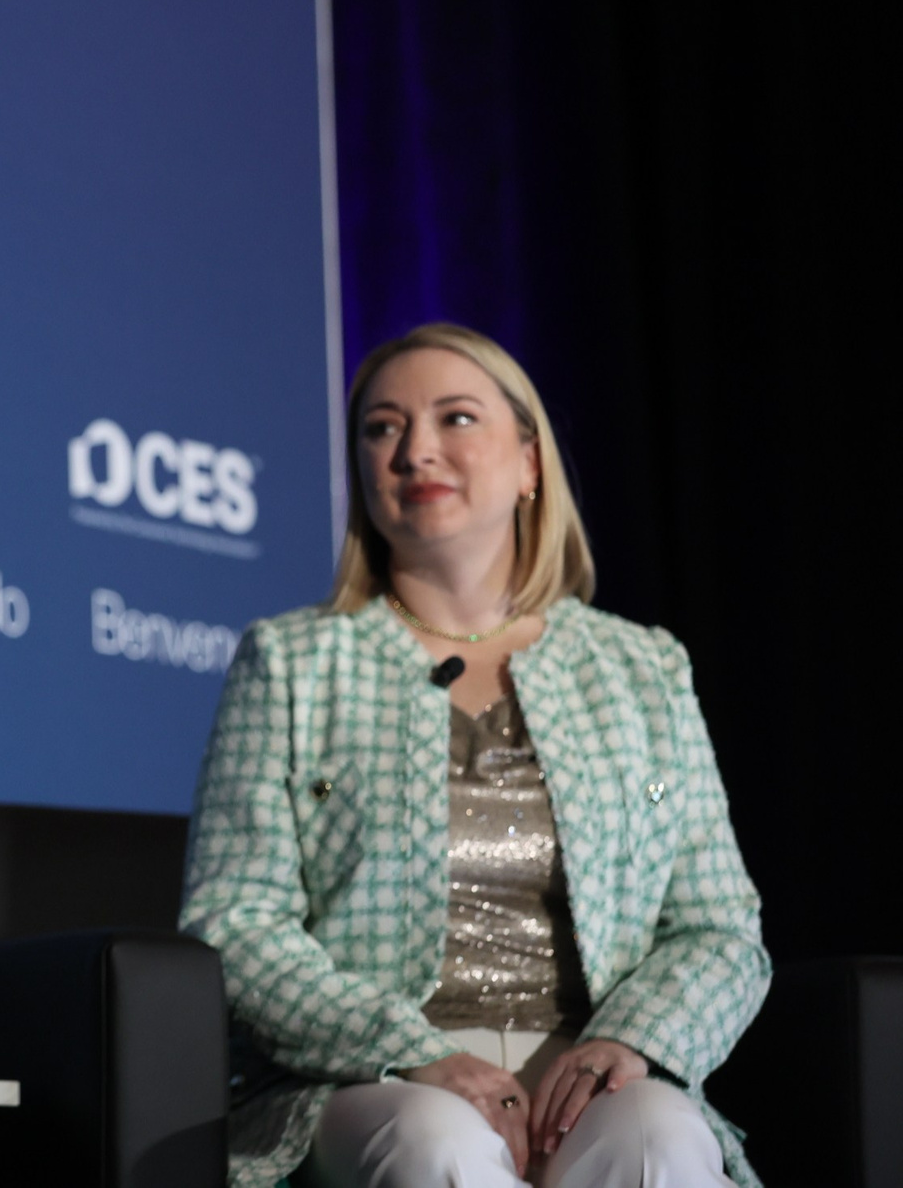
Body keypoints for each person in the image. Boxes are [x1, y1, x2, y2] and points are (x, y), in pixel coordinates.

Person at [181, 323, 769, 1187]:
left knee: (663, 1142)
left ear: (530, 463)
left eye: (454, 418)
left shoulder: (643, 667)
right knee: (436, 1145)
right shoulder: (291, 661)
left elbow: (719, 927)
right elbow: (234, 920)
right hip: (373, 1079)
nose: (415, 449)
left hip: (594, 1072)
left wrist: (630, 1040)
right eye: (382, 428)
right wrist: (412, 1050)